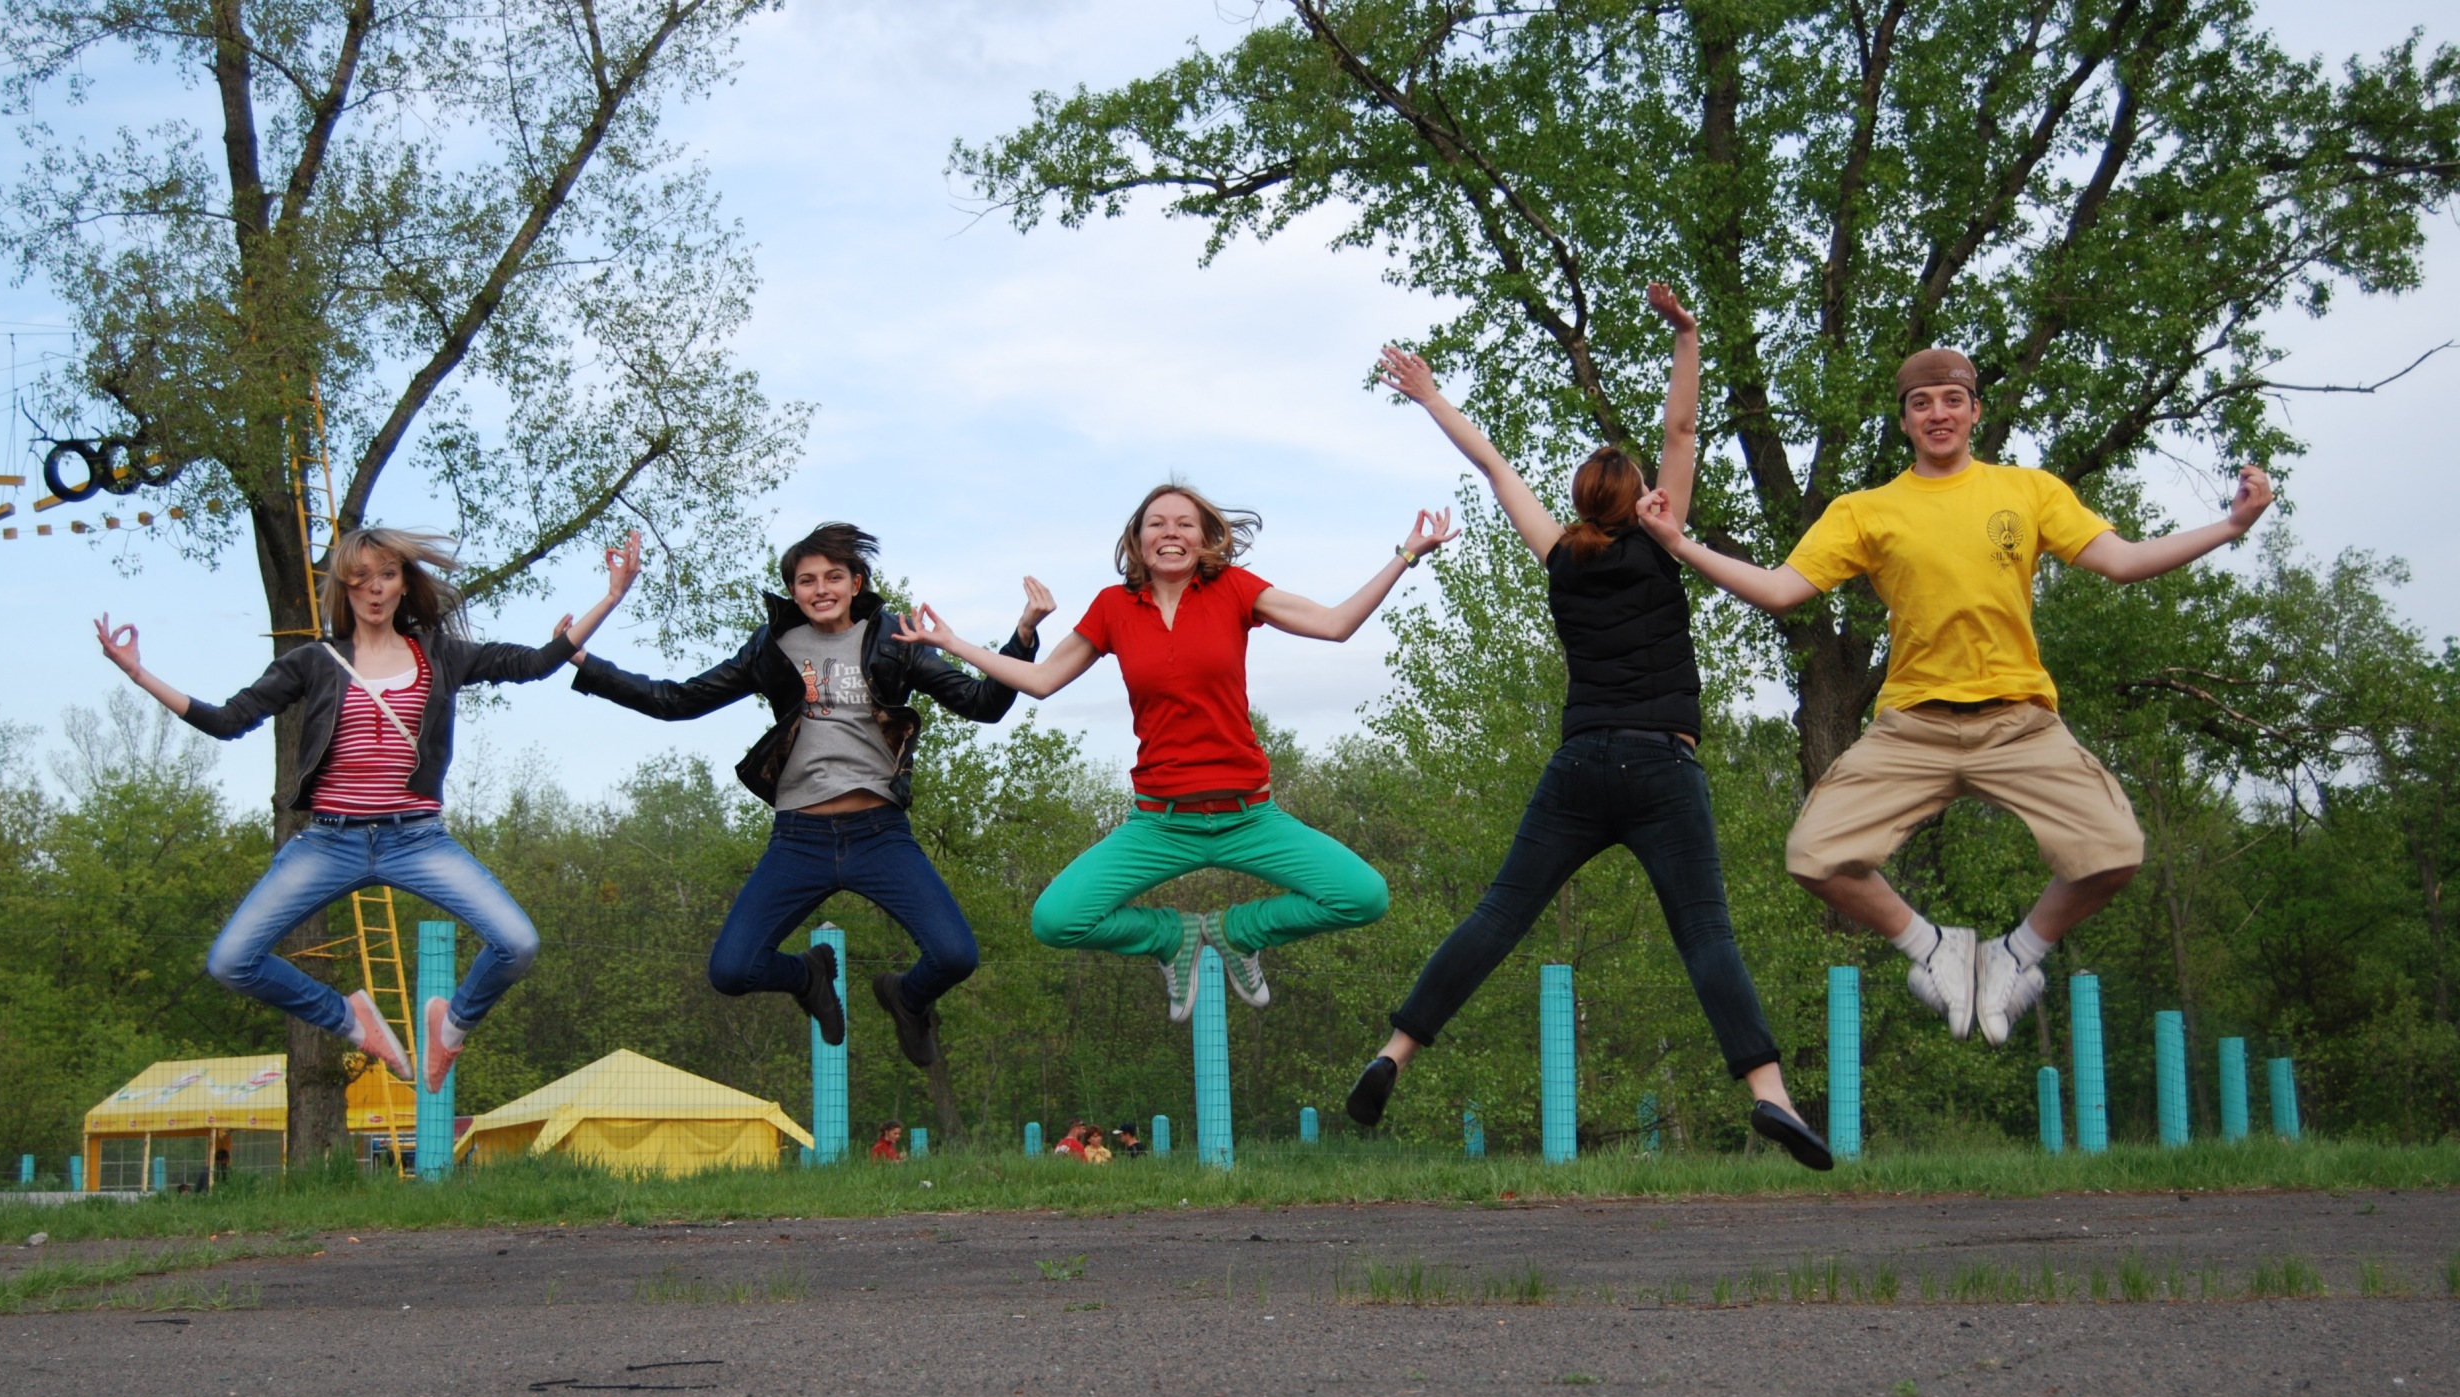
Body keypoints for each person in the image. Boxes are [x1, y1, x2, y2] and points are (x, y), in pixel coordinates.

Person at [1635, 347, 2274, 1044]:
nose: (1937, 414)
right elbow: (1782, 589)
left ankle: (2014, 956)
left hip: (2018, 723)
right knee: (1814, 854)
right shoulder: (1866, 511)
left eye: (1950, 400)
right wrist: (1679, 544)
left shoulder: (2028, 492)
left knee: (2116, 849)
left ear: (1974, 411)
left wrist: (2231, 527)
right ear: (1905, 421)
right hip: (1914, 726)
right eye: (1921, 404)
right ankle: (1936, 949)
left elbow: (2122, 562)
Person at [1343, 285, 1832, 1172]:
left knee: (1498, 914)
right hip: (1662, 764)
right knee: (1706, 934)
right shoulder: (1662, 542)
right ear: (1644, 499)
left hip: (1579, 765)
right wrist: (1687, 335)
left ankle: (1395, 1052)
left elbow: (1494, 468)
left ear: (1577, 502)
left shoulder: (1560, 555)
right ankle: (1771, 1096)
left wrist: (1431, 396)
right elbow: (1681, 430)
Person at [96, 527, 636, 1094]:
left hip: (417, 840)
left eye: (386, 575)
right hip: (329, 843)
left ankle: (451, 1026)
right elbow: (227, 720)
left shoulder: (440, 654)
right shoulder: (315, 662)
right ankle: (349, 1018)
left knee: (519, 943)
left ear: (403, 584)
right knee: (230, 961)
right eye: (360, 578)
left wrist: (611, 596)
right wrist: (137, 672)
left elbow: (536, 663)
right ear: (344, 589)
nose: (374, 589)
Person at [895, 487, 1451, 1019]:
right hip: (1160, 823)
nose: (1171, 533)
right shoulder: (1113, 607)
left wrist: (1406, 556)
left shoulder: (1234, 589)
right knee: (1056, 920)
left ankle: (1237, 932)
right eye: (1157, 523)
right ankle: (1172, 937)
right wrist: (952, 643)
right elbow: (1041, 681)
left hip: (1249, 817)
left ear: (1204, 539)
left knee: (1363, 896)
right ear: (1137, 541)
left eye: (1185, 524)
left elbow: (1335, 624)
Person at [565, 523, 1050, 1065]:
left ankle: (907, 999)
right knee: (731, 970)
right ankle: (808, 975)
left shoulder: (894, 640)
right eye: (806, 580)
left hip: (879, 834)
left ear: (855, 583)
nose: (821, 589)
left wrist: (1024, 634)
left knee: (956, 955)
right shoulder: (771, 648)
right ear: (793, 591)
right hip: (799, 837)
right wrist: (585, 663)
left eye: (833, 577)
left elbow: (983, 703)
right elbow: (676, 700)